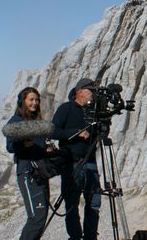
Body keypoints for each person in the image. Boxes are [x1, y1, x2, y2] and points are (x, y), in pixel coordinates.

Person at [52, 78, 101, 240]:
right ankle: (75, 237)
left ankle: (90, 237)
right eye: (91, 91)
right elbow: (53, 131)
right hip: (72, 163)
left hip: (91, 162)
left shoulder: (93, 112)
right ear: (80, 91)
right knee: (72, 204)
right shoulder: (66, 109)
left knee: (94, 202)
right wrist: (76, 132)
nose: (93, 94)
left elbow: (101, 135)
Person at [6, 87, 52, 240]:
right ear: (22, 101)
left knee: (41, 216)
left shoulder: (38, 122)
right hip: (28, 172)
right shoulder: (16, 121)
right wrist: (23, 144)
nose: (35, 103)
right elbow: (10, 147)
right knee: (36, 218)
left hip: (41, 173)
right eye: (31, 99)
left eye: (37, 100)